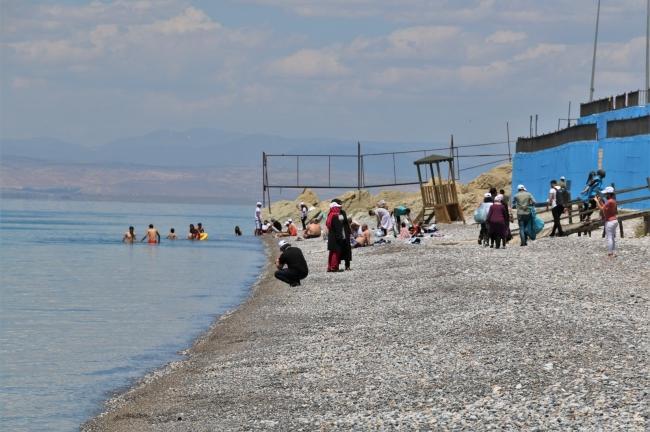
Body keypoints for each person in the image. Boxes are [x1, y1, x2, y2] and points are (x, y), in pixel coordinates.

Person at [595, 186, 618, 257]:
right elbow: (604, 207)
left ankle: (610, 253)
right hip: (615, 220)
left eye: (606, 194)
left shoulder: (609, 201)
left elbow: (601, 209)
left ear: (609, 194)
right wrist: (600, 201)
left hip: (610, 221)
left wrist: (596, 201)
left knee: (609, 237)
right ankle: (613, 252)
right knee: (612, 237)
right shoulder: (613, 201)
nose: (605, 195)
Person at [326, 201, 346, 271]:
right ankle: (334, 267)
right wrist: (340, 237)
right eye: (337, 207)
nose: (338, 208)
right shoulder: (335, 216)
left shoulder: (330, 215)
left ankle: (330, 267)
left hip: (331, 236)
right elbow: (338, 228)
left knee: (332, 252)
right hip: (336, 237)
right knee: (336, 252)